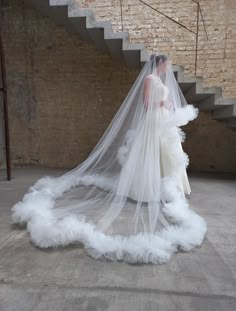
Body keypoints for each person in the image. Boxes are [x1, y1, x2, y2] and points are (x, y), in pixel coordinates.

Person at [11, 53, 207, 264]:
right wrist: (161, 105)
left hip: (162, 121)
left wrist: (167, 105)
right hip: (153, 122)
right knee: (149, 154)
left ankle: (171, 187)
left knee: (168, 153)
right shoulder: (149, 80)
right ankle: (144, 187)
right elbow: (147, 103)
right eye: (167, 63)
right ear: (159, 63)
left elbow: (160, 100)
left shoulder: (159, 80)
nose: (168, 66)